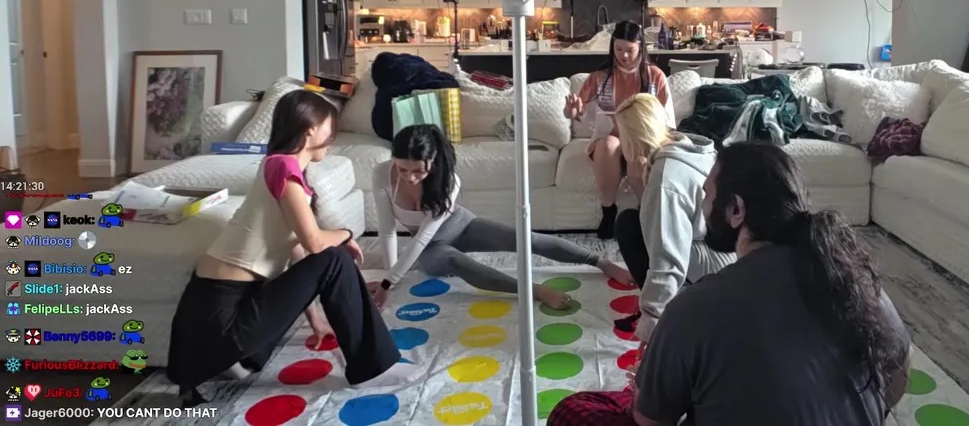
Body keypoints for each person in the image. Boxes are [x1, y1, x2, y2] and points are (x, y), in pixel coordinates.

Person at [548, 142, 912, 426]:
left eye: (707, 194)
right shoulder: (855, 282)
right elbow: (897, 374)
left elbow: (649, 421)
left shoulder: (696, 307)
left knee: (575, 410)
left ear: (735, 209)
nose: (704, 205)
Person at [168, 91, 413, 407]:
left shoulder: (277, 168)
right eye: (330, 128)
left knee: (330, 258)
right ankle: (371, 368)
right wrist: (347, 233)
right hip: (222, 318)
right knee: (335, 257)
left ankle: (242, 361)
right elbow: (314, 242)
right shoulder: (282, 168)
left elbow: (298, 253)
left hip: (222, 312)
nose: (333, 137)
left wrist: (315, 320)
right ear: (311, 129)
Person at [370, 124, 633, 310]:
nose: (410, 177)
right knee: (455, 260)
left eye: (418, 171)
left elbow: (428, 229)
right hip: (431, 247)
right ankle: (534, 291)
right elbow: (389, 230)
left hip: (460, 224)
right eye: (402, 170)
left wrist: (388, 282)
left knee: (523, 238)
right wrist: (390, 279)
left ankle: (601, 262)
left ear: (434, 162)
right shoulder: (382, 174)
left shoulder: (449, 180)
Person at [608, 93, 735, 341]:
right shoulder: (691, 148)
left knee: (628, 226)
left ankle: (676, 313)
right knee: (638, 220)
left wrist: (652, 322)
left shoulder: (666, 177)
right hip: (728, 256)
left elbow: (667, 258)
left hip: (714, 269)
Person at [563, 20, 669, 239]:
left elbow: (666, 119)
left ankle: (645, 214)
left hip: (642, 141)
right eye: (618, 49)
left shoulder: (655, 76)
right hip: (608, 139)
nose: (624, 56)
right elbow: (576, 112)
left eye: (630, 50)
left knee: (638, 158)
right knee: (608, 144)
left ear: (641, 47)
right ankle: (608, 211)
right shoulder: (600, 76)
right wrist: (571, 111)